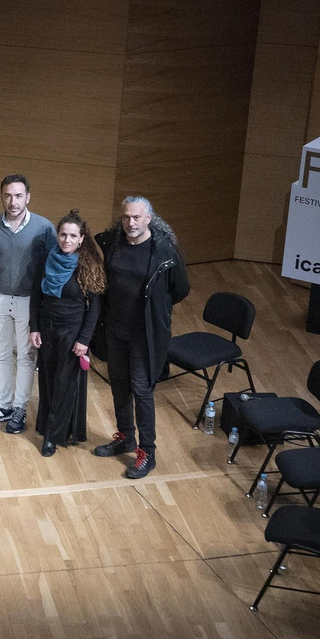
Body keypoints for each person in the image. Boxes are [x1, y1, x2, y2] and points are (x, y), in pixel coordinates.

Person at [92, 196, 190, 478]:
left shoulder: (163, 249)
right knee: (119, 385)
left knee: (141, 390)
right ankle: (125, 437)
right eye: (126, 217)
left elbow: (180, 289)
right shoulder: (113, 242)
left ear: (149, 218)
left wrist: (155, 311)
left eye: (136, 217)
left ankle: (147, 451)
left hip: (144, 335)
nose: (130, 223)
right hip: (115, 329)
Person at [0, 174, 56, 435]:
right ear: (2, 197)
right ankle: (3, 405)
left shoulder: (44, 227)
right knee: (0, 354)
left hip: (28, 303)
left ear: (28, 197)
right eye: (8, 195)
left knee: (26, 356)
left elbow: (53, 267)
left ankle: (20, 408)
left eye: (18, 195)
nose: (13, 201)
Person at [30, 211, 106, 457]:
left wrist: (84, 340)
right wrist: (34, 327)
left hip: (72, 332)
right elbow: (36, 296)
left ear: (82, 239)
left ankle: (52, 437)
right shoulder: (45, 259)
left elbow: (95, 307)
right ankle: (48, 426)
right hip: (47, 327)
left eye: (73, 236)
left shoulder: (88, 265)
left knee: (64, 384)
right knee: (48, 381)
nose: (67, 240)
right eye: (63, 234)